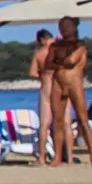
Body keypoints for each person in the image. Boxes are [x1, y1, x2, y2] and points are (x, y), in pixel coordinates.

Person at [49, 17, 92, 164]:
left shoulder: (80, 45)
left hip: (74, 82)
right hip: (58, 82)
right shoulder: (55, 46)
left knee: (83, 119)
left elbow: (71, 61)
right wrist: (60, 62)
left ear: (74, 27)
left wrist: (59, 62)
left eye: (66, 26)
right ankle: (57, 156)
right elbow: (48, 63)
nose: (63, 29)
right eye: (61, 26)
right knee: (57, 121)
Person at [27, 29, 59, 164]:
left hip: (46, 86)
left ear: (41, 39)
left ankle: (41, 157)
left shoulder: (39, 54)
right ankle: (63, 157)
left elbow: (32, 73)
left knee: (44, 125)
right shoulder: (59, 50)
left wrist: (43, 74)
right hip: (59, 86)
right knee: (63, 124)